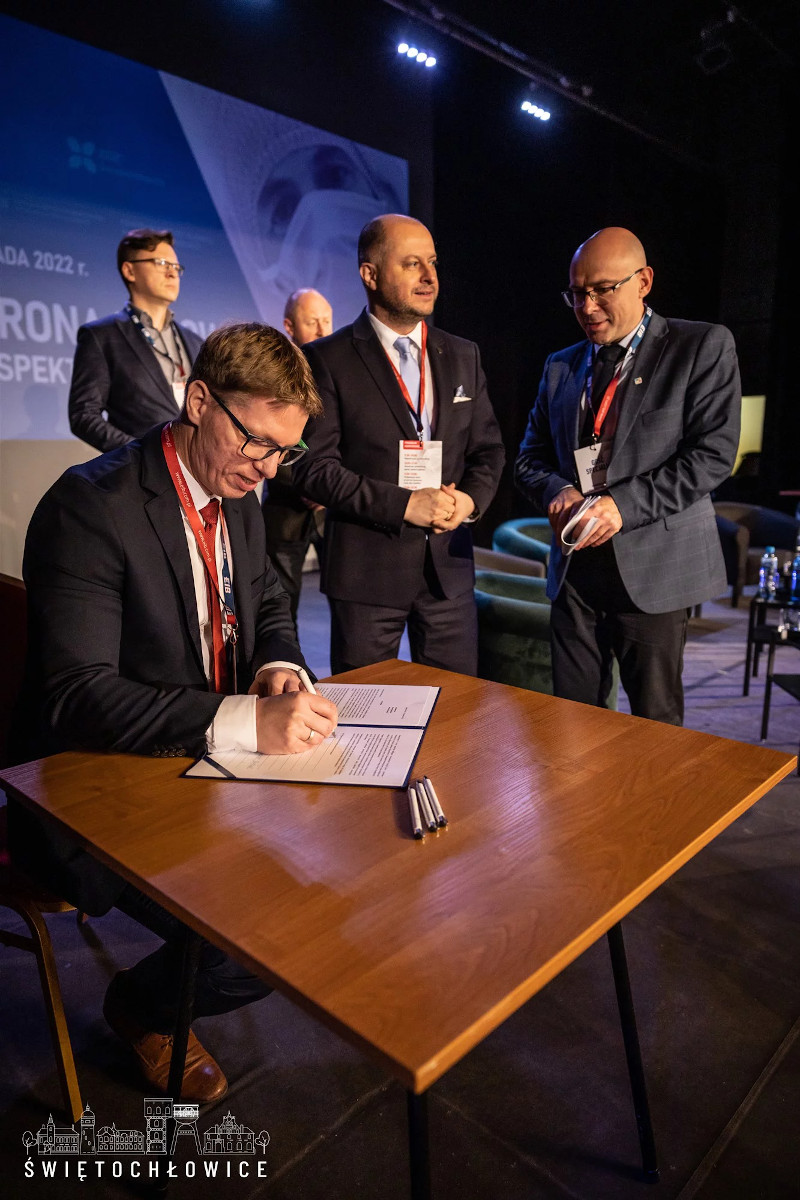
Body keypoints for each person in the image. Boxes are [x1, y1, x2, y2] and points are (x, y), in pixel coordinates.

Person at [11, 323, 338, 1102]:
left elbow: (268, 598)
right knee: (260, 942)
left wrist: (278, 665)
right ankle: (142, 1008)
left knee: (327, 896)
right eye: (257, 442)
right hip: (94, 784)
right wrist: (242, 721)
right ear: (198, 401)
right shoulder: (91, 507)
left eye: (283, 452)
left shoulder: (238, 490)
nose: (266, 469)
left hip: (202, 760)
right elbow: (77, 696)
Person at [515, 226, 740, 724]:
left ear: (644, 281)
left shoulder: (699, 346)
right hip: (575, 573)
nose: (586, 306)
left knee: (655, 730)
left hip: (654, 570)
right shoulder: (560, 366)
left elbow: (713, 455)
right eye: (577, 293)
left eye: (602, 290)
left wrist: (622, 505)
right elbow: (528, 459)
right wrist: (558, 490)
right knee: (573, 724)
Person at [294, 214, 505, 675]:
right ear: (369, 274)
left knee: (458, 707)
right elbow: (312, 468)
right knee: (367, 709)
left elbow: (488, 450)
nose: (429, 276)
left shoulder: (463, 354)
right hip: (367, 575)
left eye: (432, 262)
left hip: (448, 570)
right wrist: (404, 505)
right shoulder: (326, 359)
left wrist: (469, 501)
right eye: (412, 264)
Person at [68, 228, 203, 452]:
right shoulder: (101, 336)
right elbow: (84, 415)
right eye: (162, 263)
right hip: (144, 470)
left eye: (176, 267)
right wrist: (140, 454)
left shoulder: (196, 342)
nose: (172, 273)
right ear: (130, 271)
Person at [260, 289, 333, 626]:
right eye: (312, 321)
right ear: (289, 326)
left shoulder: (340, 372)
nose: (322, 329)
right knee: (280, 609)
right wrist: (310, 484)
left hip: (333, 508)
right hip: (285, 508)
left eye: (327, 321)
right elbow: (264, 438)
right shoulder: (271, 373)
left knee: (349, 611)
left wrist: (330, 487)